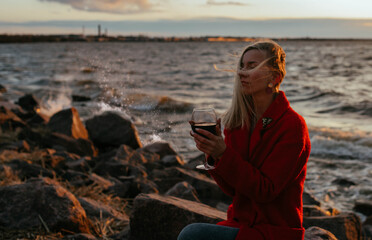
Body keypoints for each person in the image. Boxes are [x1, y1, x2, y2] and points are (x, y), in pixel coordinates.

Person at [178, 39, 311, 240]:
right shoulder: (237, 122)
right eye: (241, 65)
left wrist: (224, 153)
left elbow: (265, 191)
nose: (241, 72)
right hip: (241, 223)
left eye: (252, 66)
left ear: (274, 77)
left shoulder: (292, 126)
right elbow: (232, 189)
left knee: (191, 234)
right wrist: (213, 154)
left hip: (275, 232)